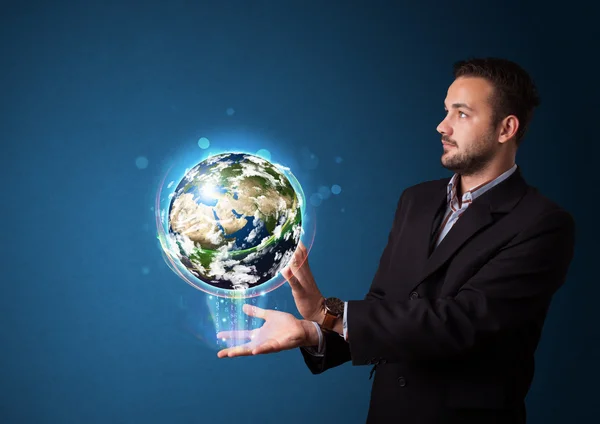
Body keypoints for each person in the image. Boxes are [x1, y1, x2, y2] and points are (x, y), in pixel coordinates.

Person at [216, 57, 576, 424]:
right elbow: (386, 306)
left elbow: (463, 323)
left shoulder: (542, 223)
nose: (442, 126)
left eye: (462, 114)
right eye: (445, 110)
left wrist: (332, 315)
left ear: (506, 129)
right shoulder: (416, 201)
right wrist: (313, 329)